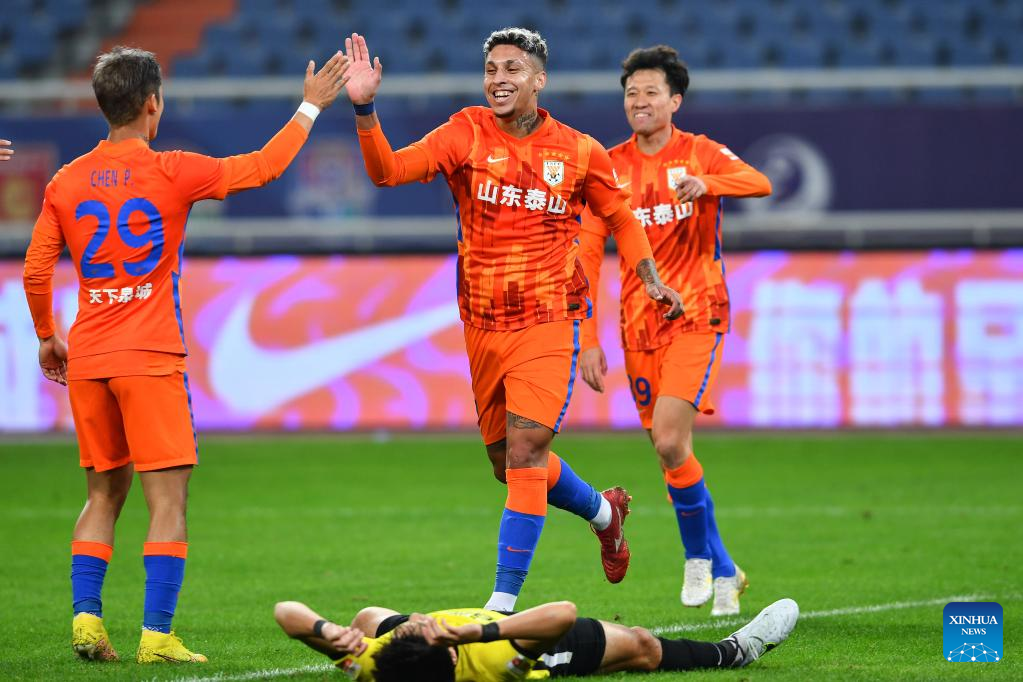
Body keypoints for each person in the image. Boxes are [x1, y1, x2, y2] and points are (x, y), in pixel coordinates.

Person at [22, 45, 350, 664]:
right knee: (167, 500)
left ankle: (87, 621)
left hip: (89, 356)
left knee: (102, 496)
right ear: (153, 103)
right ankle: (156, 636)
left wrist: (46, 335)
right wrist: (310, 106)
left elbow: (37, 270)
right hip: (149, 356)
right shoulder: (173, 170)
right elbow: (262, 168)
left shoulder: (66, 180)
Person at [342, 29, 683, 614]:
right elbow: (387, 172)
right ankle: (605, 512)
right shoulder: (465, 132)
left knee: (527, 451)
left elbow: (622, 219)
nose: (499, 79)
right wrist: (365, 110)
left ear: (539, 79)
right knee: (508, 466)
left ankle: (499, 607)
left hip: (549, 317)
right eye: (492, 69)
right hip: (482, 321)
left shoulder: (579, 151)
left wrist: (650, 278)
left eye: (512, 69)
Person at [577, 46, 772, 617]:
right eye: (631, 93)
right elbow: (586, 255)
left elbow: (758, 182)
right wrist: (588, 338)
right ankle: (728, 569)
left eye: (651, 92)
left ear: (675, 101)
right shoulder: (607, 167)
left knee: (667, 440)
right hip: (637, 326)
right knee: (673, 453)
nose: (639, 101)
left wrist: (707, 184)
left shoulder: (699, 152)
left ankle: (697, 559)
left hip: (697, 314)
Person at [274, 595, 799, 680]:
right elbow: (562, 615)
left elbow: (285, 612)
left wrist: (328, 632)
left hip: (452, 645)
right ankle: (733, 653)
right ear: (452, 656)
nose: (423, 623)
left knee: (368, 614)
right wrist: (481, 629)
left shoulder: (375, 664)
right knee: (641, 645)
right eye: (427, 631)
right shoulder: (493, 659)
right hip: (530, 641)